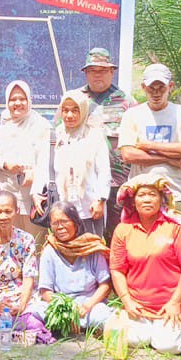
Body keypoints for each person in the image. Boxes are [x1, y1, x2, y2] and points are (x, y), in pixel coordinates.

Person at [108, 174, 181, 353]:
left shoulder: (176, 226)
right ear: (133, 201)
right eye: (142, 195)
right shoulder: (123, 229)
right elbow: (117, 269)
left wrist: (175, 302)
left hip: (171, 305)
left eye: (152, 194)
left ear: (161, 199)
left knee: (167, 346)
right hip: (138, 305)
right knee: (134, 340)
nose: (147, 199)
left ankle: (176, 329)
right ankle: (149, 328)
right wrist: (127, 300)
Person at [0, 191, 55, 343]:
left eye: (8, 211)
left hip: (24, 295)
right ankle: (33, 330)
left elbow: (28, 277)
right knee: (9, 319)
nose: (3, 216)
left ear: (16, 211)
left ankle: (31, 328)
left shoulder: (25, 239)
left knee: (44, 311)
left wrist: (22, 305)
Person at [118, 64, 181, 215]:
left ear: (170, 86)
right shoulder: (132, 115)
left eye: (161, 88)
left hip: (175, 193)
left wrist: (148, 145)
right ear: (143, 87)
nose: (156, 93)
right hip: (140, 194)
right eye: (151, 88)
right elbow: (128, 155)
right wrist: (168, 159)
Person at [33, 90, 109, 235]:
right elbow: (42, 167)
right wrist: (36, 192)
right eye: (65, 110)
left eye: (75, 110)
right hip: (62, 207)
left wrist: (100, 200)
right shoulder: (54, 137)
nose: (69, 116)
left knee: (90, 249)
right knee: (65, 250)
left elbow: (104, 171)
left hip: (89, 207)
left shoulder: (94, 137)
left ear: (84, 111)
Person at [0, 79, 50, 237]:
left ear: (29, 100)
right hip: (6, 193)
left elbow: (46, 160)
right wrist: (4, 164)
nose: (17, 103)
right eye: (13, 99)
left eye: (22, 99)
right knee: (8, 240)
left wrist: (36, 179)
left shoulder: (41, 125)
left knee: (34, 242)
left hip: (33, 196)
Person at [37, 201, 113, 333]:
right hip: (62, 306)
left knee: (102, 316)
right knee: (36, 310)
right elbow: (45, 291)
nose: (60, 227)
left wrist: (87, 307)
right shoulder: (50, 250)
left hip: (89, 305)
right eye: (55, 223)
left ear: (75, 222)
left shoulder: (91, 247)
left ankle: (83, 325)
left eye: (64, 221)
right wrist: (67, 310)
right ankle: (73, 325)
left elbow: (105, 285)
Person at [79, 47, 132, 239]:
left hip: (116, 183)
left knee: (117, 234)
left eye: (102, 70)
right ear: (85, 73)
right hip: (83, 183)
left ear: (112, 71)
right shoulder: (74, 100)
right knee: (84, 235)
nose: (97, 75)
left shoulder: (127, 102)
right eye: (92, 71)